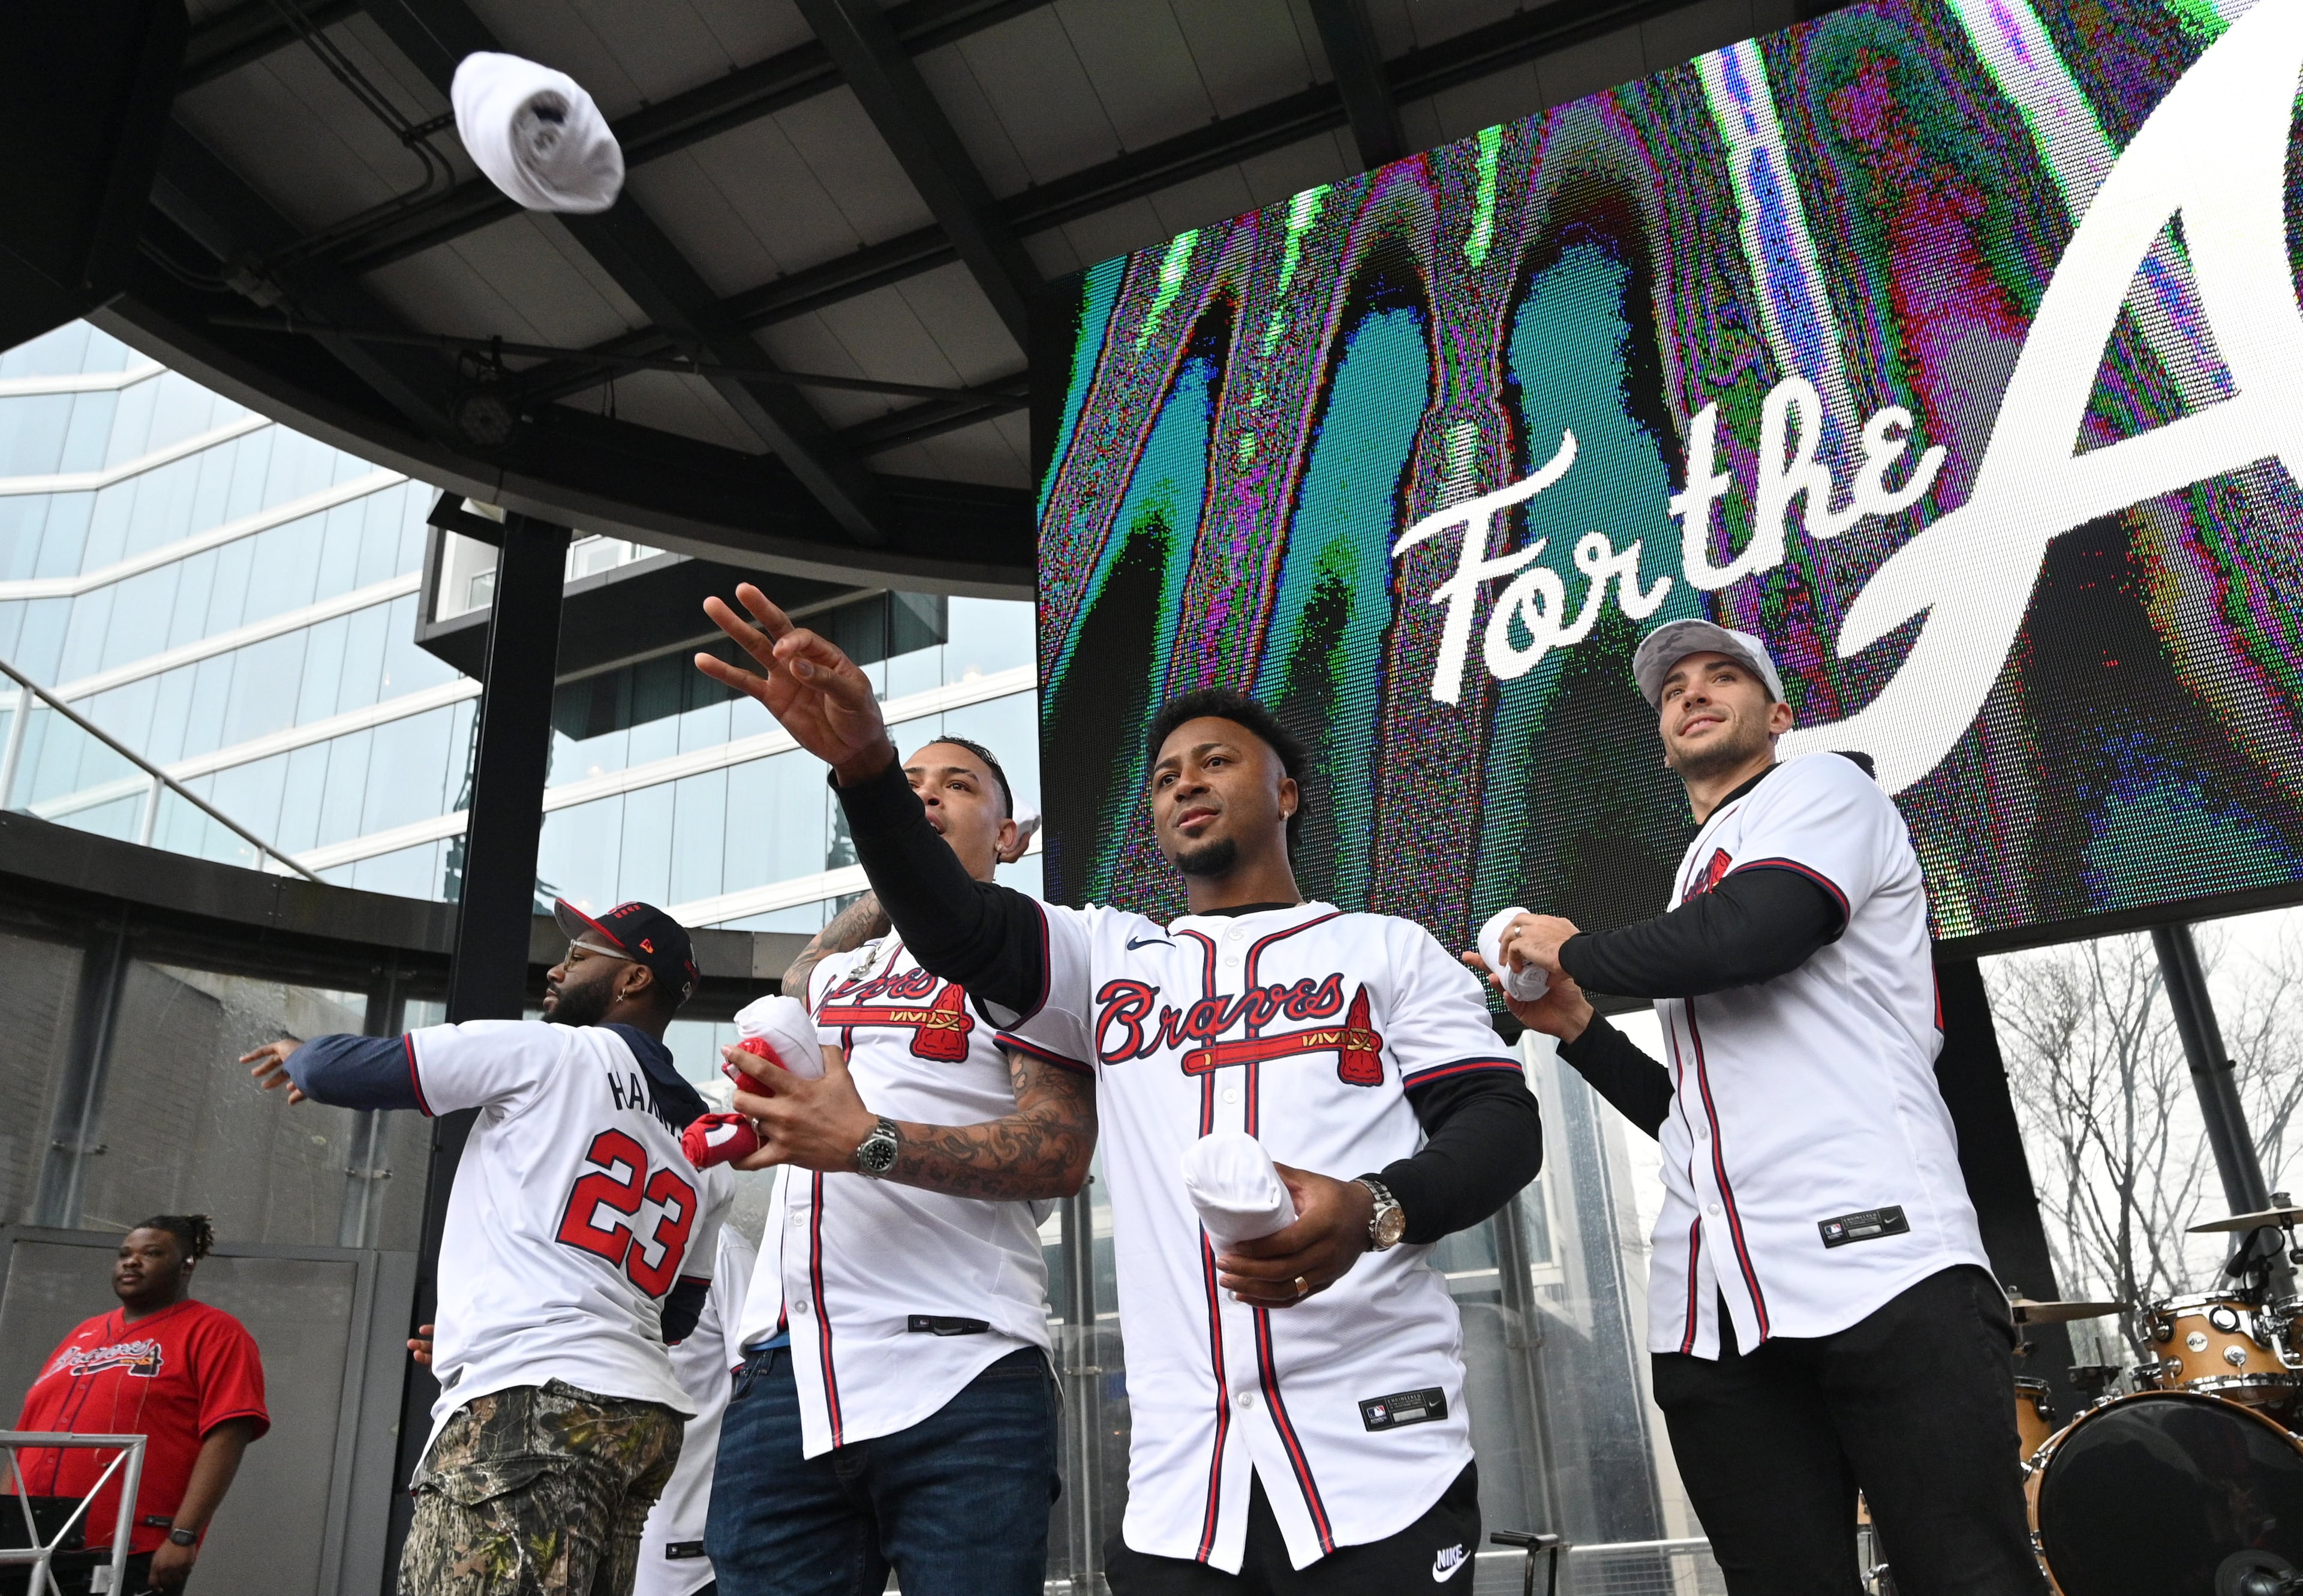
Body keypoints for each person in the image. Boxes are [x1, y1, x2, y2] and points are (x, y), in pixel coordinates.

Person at [693, 585, 1543, 1594]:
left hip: (1378, 1450)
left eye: (1218, 761)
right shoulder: (1113, 957)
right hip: (1186, 1485)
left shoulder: (1385, 950)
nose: (1186, 782)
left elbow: (1499, 1123)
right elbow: (959, 929)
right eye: (1167, 774)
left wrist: (1377, 1207)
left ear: (1286, 793)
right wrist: (869, 771)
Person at [1471, 618, 2041, 1596]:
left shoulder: (1825, 791)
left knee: (1968, 1577)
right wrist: (1578, 1027)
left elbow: (1760, 931)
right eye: (1672, 688)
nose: (1691, 692)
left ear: (1777, 714)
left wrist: (1578, 952)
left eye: (1722, 676)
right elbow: (1690, 1118)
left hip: (1883, 1265)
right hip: (1718, 1308)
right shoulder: (1700, 871)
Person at [243, 899, 730, 1596]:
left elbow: (342, 1071)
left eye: (581, 956)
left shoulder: (552, 1051)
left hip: (532, 1407)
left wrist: (302, 1053)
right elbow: (676, 1319)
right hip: (638, 1421)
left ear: (632, 981)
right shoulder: (707, 1142)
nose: (557, 970)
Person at [704, 736, 1088, 1596]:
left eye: (959, 786)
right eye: (909, 786)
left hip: (962, 1368)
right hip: (785, 1375)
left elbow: (1062, 1149)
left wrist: (872, 1142)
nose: (926, 798)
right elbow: (801, 973)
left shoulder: (1030, 958)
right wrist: (899, 871)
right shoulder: (840, 971)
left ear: (1010, 834)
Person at [8, 1215, 265, 1594]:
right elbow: (23, 1442)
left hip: (128, 1547)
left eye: (152, 1253)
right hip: (28, 1546)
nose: (131, 1262)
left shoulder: (216, 1332)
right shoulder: (84, 1333)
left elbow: (228, 1435)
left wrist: (183, 1535)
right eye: (124, 1254)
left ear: (186, 1265)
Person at [636, 1222, 757, 1596]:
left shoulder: (723, 1251)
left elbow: (763, 1397)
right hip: (596, 1546)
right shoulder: (582, 1257)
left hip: (693, 1559)